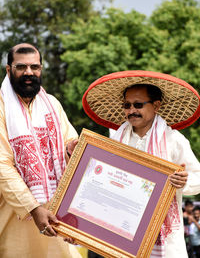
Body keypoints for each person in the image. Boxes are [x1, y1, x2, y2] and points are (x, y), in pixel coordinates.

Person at [82, 70, 200, 258]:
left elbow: (198, 177)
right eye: (127, 105)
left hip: (164, 238)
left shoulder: (173, 140)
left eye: (138, 104)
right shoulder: (116, 141)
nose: (131, 110)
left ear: (156, 106)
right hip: (121, 231)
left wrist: (184, 181)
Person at [0, 43, 81, 258]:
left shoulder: (52, 105)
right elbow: (2, 166)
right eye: (21, 67)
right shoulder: (1, 107)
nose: (29, 73)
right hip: (13, 217)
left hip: (55, 216)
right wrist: (33, 209)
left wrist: (73, 149)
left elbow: (69, 141)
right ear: (9, 70)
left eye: (34, 67)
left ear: (41, 69)